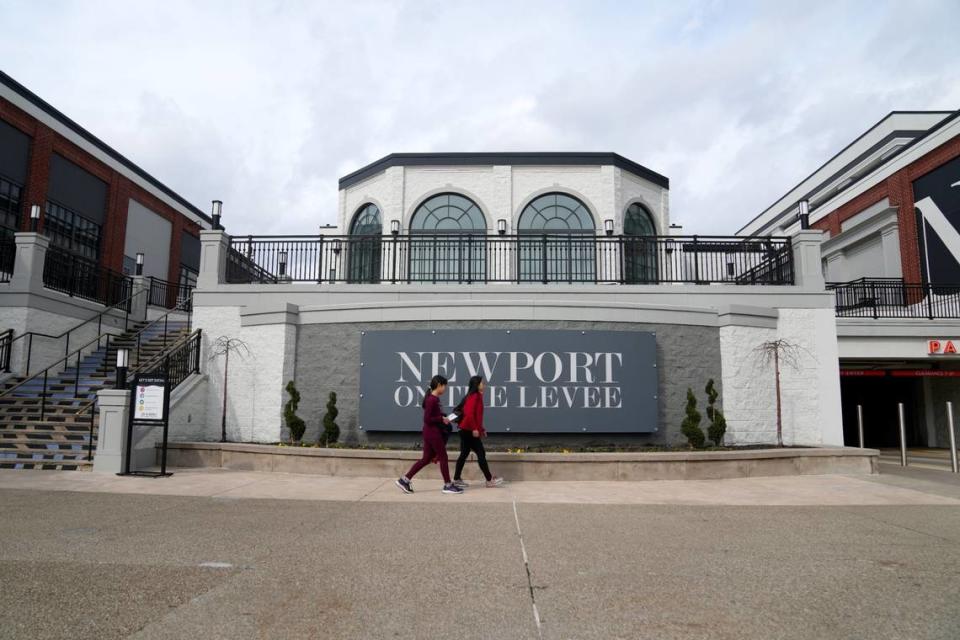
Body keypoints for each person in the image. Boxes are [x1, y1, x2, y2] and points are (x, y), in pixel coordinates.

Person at [396, 374, 463, 494]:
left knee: (426, 459)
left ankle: (404, 480)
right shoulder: (432, 399)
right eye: (445, 386)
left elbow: (432, 416)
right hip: (433, 433)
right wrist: (441, 419)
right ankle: (448, 485)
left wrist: (443, 417)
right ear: (439, 385)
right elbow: (427, 419)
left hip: (429, 432)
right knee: (443, 457)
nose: (445, 389)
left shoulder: (433, 399)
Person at [453, 375, 504, 488]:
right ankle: (489, 480)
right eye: (482, 383)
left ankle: (456, 479)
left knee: (464, 454)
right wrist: (475, 429)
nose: (484, 385)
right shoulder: (474, 396)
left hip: (466, 429)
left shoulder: (476, 396)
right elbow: (469, 414)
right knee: (481, 453)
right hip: (468, 430)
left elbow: (476, 416)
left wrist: (481, 429)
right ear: (477, 385)